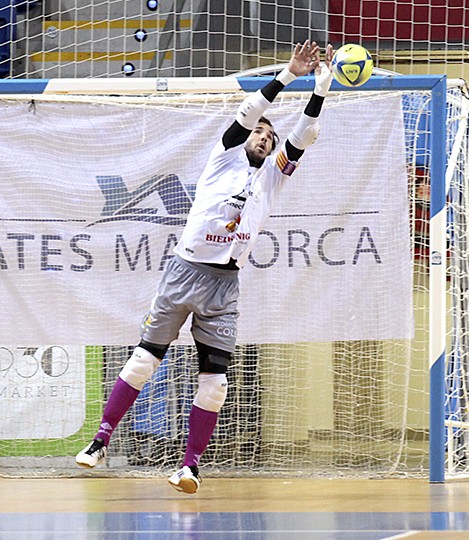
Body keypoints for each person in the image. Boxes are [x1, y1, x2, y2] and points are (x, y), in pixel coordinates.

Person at [75, 40, 335, 494]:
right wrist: (289, 75)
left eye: (270, 138)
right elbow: (248, 112)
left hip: (224, 285)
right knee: (143, 362)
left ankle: (189, 467)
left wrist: (322, 88)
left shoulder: (271, 177)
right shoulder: (222, 160)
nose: (265, 138)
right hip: (184, 272)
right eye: (261, 133)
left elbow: (305, 136)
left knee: (216, 384)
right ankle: (100, 441)